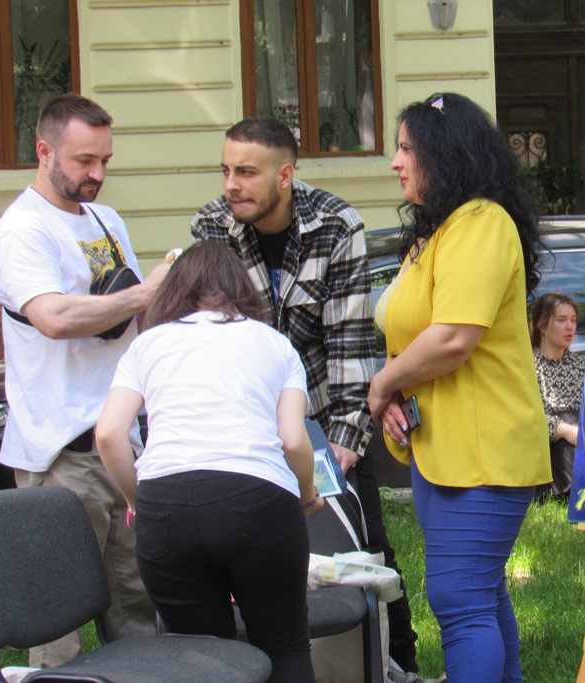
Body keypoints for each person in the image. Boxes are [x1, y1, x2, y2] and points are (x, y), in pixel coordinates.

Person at [190, 117, 421, 674]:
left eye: (247, 172)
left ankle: (397, 664)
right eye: (226, 170)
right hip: (247, 429)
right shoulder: (211, 226)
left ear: (285, 175)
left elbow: (349, 344)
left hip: (326, 417)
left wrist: (341, 445)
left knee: (366, 550)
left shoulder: (336, 224)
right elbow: (212, 343)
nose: (232, 185)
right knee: (253, 554)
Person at [368, 92, 551, 683]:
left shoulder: (480, 222)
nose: (395, 162)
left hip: (483, 452)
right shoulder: (437, 232)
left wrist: (382, 385)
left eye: (407, 148)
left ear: (444, 154)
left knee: (460, 599)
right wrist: (397, 395)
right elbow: (412, 333)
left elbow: (452, 339)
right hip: (442, 450)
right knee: (480, 593)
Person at [0, 94, 168, 667]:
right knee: (57, 627)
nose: (98, 173)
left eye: (105, 160)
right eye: (85, 160)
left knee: (138, 608)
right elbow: (55, 317)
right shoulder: (22, 231)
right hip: (59, 455)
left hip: (119, 445)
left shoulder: (105, 220)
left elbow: (133, 315)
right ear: (44, 151)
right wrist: (145, 293)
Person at [95, 241, 322, 683]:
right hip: (259, 500)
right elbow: (294, 441)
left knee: (200, 660)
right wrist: (307, 495)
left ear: (172, 292)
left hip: (166, 509)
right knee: (285, 646)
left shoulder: (146, 345)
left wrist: (139, 501)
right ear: (242, 288)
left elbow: (108, 434)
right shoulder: (275, 344)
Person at [530, 292, 585, 498]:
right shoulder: (528, 368)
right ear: (542, 326)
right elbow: (527, 418)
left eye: (573, 320)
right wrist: (563, 430)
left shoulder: (583, 366)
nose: (570, 326)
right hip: (547, 446)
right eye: (562, 320)